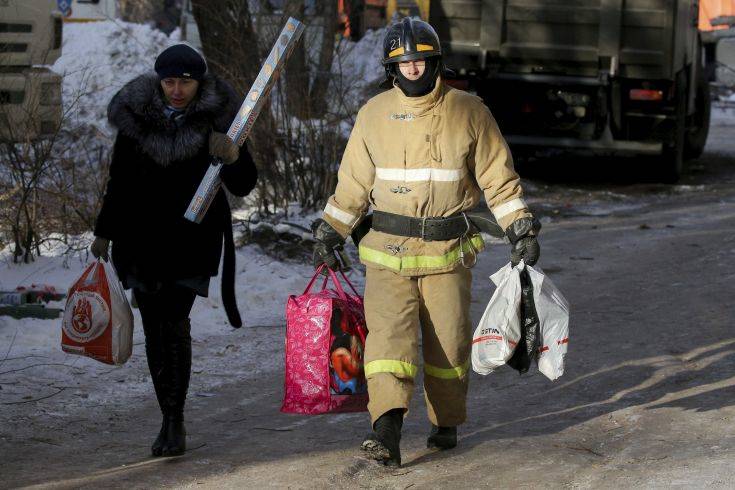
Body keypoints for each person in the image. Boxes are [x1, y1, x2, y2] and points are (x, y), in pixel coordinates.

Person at [311, 18, 540, 467]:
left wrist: (520, 226)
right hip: (386, 254)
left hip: (447, 254)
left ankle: (445, 421)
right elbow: (353, 184)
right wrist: (330, 230)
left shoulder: (469, 111)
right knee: (386, 346)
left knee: (448, 347)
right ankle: (387, 431)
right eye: (404, 62)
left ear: (434, 62)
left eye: (419, 60)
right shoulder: (373, 114)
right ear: (391, 67)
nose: (412, 69)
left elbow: (498, 178)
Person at [90, 44, 258, 457]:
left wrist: (232, 156)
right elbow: (120, 181)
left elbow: (244, 184)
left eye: (185, 81)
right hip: (140, 240)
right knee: (153, 329)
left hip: (190, 239)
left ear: (199, 82)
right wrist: (104, 231)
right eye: (170, 81)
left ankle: (175, 418)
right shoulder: (136, 120)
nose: (177, 90)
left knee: (174, 322)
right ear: (158, 81)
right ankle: (166, 414)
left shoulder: (218, 121)